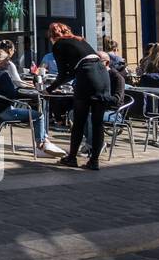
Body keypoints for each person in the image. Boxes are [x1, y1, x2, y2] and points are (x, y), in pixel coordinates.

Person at [44, 22, 111, 169]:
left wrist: (49, 90)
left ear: (52, 36)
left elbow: (63, 74)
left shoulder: (58, 45)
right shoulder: (80, 41)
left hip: (87, 78)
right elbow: (72, 73)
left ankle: (72, 158)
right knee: (98, 123)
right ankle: (94, 161)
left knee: (79, 121)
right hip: (103, 76)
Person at [0, 48, 65, 156]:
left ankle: (46, 142)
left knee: (35, 114)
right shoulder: (2, 75)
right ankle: (40, 145)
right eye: (7, 60)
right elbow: (12, 94)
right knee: (39, 116)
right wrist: (29, 93)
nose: (9, 63)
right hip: (6, 112)